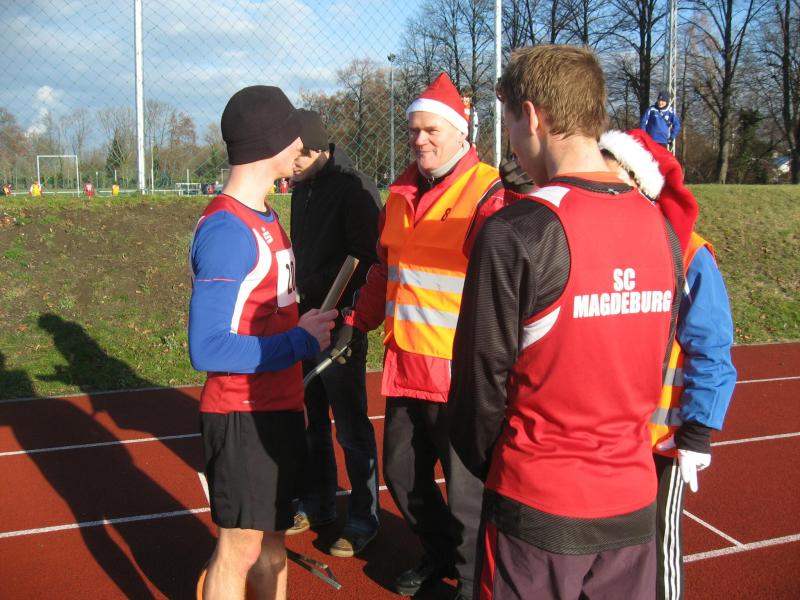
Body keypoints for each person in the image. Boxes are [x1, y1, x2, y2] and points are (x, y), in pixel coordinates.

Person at [449, 44, 684, 600]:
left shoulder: (519, 229)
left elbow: (478, 386)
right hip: (632, 502)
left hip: (537, 504)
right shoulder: (662, 228)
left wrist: (503, 469)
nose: (510, 140)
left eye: (509, 122)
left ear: (531, 116)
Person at [344, 72, 505, 600]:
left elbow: (508, 284)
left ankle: (472, 580)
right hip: (406, 367)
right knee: (401, 474)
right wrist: (357, 322)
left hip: (459, 376)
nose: (420, 139)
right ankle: (439, 554)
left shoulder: (489, 193)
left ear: (461, 132)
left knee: (466, 492)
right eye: (414, 130)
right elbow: (384, 268)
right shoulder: (399, 193)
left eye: (431, 130)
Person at [188, 85, 337, 600]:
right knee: (239, 551)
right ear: (268, 141)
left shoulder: (267, 216)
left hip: (279, 406)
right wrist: (298, 342)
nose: (301, 143)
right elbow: (208, 347)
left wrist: (302, 327)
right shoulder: (228, 230)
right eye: (292, 132)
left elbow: (266, 315)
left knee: (273, 548)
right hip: (241, 415)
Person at [599, 128, 737, 600]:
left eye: (613, 178)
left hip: (660, 439)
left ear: (640, 183)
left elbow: (711, 345)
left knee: (657, 547)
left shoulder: (691, 254)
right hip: (605, 435)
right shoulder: (595, 243)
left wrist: (698, 429)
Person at [286, 108, 382, 557]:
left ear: (319, 148)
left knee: (351, 427)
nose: (292, 164)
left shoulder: (354, 187)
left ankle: (364, 517)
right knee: (311, 421)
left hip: (341, 322)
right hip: (304, 321)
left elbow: (368, 259)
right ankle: (319, 502)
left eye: (299, 155)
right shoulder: (300, 187)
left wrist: (337, 309)